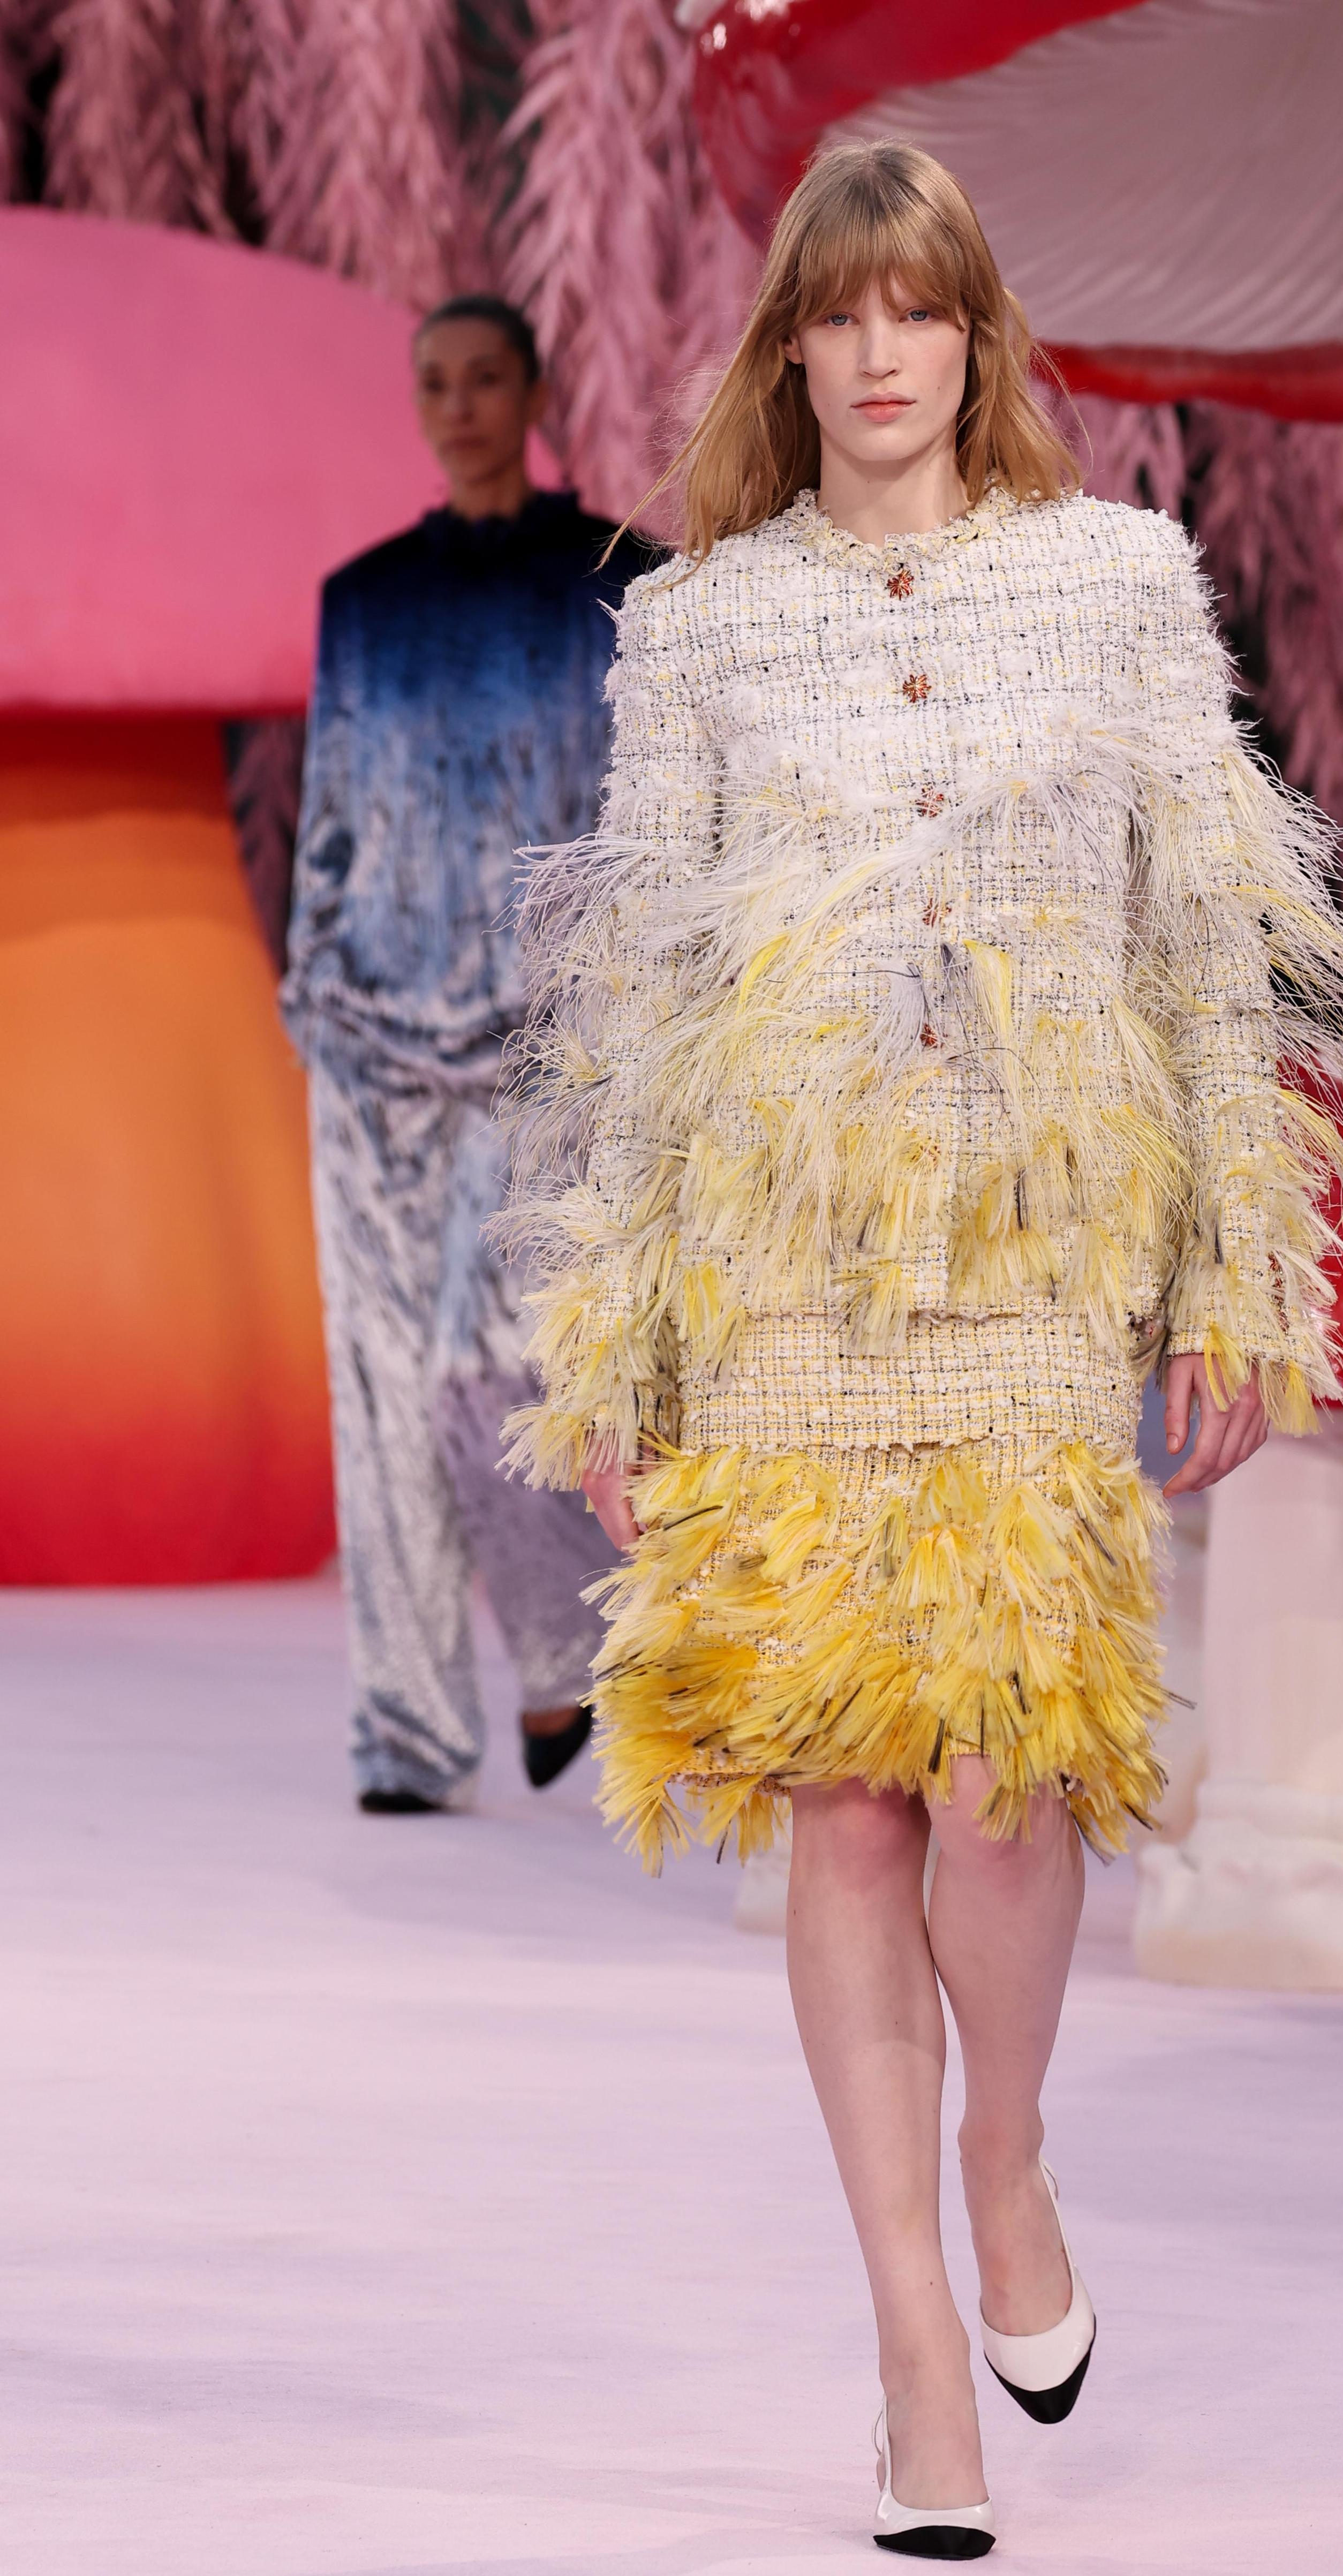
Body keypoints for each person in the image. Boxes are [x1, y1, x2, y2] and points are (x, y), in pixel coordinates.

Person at [503, 147, 1343, 2552]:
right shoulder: (701, 630)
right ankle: (914, 2358)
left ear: (978, 339)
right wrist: (619, 1339)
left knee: (1005, 1776)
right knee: (848, 1799)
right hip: (781, 1270)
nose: (882, 356)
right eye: (841, 314)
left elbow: (1206, 944)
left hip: (1032, 1255)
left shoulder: (1118, 586)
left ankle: (1007, 2153)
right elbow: (647, 997)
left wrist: (1235, 1265)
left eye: (923, 312)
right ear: (789, 345)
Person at [284, 296, 655, 1816]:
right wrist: (312, 989)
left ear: (536, 392)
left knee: (492, 1362)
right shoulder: (364, 600)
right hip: (369, 1039)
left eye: (486, 377)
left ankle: (567, 1646)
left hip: (547, 1048)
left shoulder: (624, 583)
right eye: (434, 381)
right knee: (377, 1389)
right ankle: (407, 1737)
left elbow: (652, 826)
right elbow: (328, 818)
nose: (459, 404)